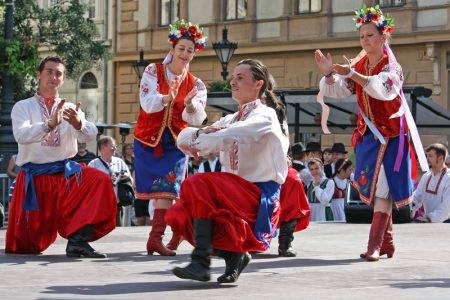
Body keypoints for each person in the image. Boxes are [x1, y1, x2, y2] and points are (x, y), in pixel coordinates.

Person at [314, 5, 427, 261]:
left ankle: (374, 244)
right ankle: (387, 243)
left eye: (370, 35)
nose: (364, 40)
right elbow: (342, 89)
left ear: (383, 37)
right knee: (375, 187)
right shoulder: (360, 62)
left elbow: (383, 89)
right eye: (362, 36)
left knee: (383, 189)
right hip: (369, 137)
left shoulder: (392, 66)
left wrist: (353, 74)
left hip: (392, 136)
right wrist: (329, 74)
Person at [166, 59, 289, 283]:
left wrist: (203, 137)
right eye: (233, 77)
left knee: (198, 183)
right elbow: (183, 137)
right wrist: (200, 136)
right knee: (180, 213)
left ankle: (201, 262)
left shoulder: (266, 115)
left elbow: (230, 135)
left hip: (258, 197)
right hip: (234, 196)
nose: (233, 82)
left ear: (258, 84)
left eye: (240, 78)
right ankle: (235, 255)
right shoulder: (233, 118)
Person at [6, 56, 117, 258]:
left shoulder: (71, 108)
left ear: (63, 79)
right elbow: (20, 135)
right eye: (49, 71)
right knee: (25, 246)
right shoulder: (23, 107)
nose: (53, 77)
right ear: (39, 74)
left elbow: (91, 134)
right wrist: (48, 125)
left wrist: (78, 124)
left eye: (59, 73)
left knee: (99, 180)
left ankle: (77, 241)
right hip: (35, 177)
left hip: (65, 176)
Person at [133, 19, 208, 256]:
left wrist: (190, 106)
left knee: (170, 189)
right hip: (148, 141)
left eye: (190, 51)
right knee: (167, 193)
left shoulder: (196, 84)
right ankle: (174, 235)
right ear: (172, 48)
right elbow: (147, 103)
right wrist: (167, 97)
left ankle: (157, 238)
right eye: (182, 49)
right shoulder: (152, 71)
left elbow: (196, 119)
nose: (185, 54)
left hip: (176, 144)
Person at [89, 136, 132, 226]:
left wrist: (121, 176)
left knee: (117, 229)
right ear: (103, 147)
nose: (115, 148)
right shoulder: (93, 164)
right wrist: (107, 178)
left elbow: (129, 177)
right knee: (100, 228)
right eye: (113, 145)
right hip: (100, 204)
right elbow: (89, 182)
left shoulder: (119, 162)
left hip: (117, 204)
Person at [412, 143, 450, 223]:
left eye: (430, 156)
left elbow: (447, 207)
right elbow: (417, 197)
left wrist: (429, 218)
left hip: (446, 223)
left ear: (441, 158)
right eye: (427, 156)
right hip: (429, 223)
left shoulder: (448, 177)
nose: (427, 159)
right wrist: (408, 210)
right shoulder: (426, 176)